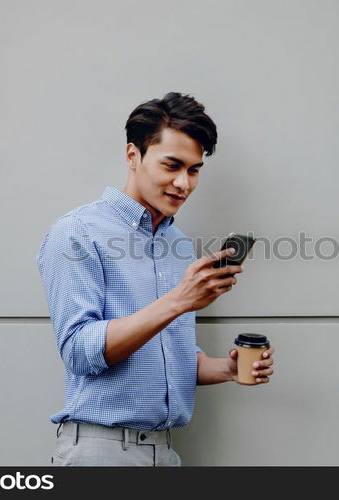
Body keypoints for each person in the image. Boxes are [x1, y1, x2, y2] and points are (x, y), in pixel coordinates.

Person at [36, 92, 275, 466]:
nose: (184, 183)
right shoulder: (77, 232)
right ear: (133, 156)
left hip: (164, 453)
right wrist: (179, 300)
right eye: (172, 165)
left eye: (194, 170)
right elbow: (80, 352)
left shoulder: (176, 245)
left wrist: (228, 368)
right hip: (102, 452)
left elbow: (168, 356)